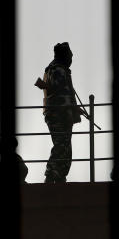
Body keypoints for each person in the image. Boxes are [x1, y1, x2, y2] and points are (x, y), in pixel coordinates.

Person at [35, 42, 83, 183]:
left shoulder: (57, 69)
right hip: (59, 114)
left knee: (65, 147)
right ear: (64, 55)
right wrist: (72, 107)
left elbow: (62, 92)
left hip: (61, 113)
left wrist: (74, 108)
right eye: (70, 54)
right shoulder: (58, 70)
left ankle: (60, 175)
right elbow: (60, 92)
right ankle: (50, 175)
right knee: (61, 144)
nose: (71, 57)